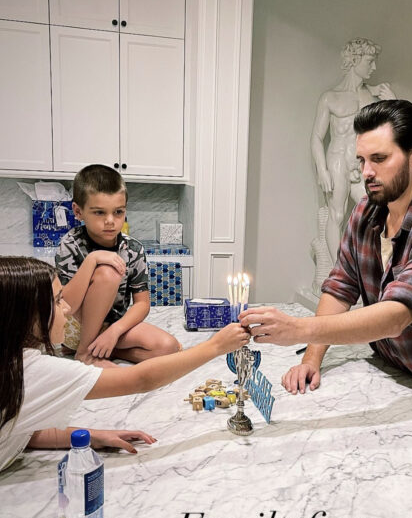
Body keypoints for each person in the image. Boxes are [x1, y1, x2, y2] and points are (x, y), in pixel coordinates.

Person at [240, 99, 412, 394]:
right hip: (401, 372)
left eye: (379, 159)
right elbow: (341, 286)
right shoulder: (366, 210)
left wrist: (297, 329)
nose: (366, 172)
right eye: (362, 160)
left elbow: (396, 316)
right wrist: (311, 358)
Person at [0, 257, 249, 474]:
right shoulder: (28, 371)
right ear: (23, 315)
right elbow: (141, 379)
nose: (67, 309)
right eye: (57, 301)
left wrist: (90, 436)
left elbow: (22, 429)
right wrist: (215, 346)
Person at [56, 164, 180, 367]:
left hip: (111, 326)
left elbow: (142, 304)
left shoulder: (133, 248)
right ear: (78, 211)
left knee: (169, 348)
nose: (110, 221)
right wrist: (92, 260)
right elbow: (66, 307)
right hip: (76, 326)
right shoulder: (70, 244)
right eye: (99, 213)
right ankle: (85, 353)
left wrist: (114, 332)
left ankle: (102, 350)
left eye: (118, 212)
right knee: (108, 273)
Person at [311, 38, 396, 260]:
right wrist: (322, 170)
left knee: (375, 212)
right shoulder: (330, 97)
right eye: (369, 61)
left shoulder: (372, 95)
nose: (374, 67)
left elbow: (393, 131)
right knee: (336, 214)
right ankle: (336, 272)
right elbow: (317, 137)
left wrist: (393, 101)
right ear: (355, 60)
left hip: (361, 163)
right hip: (337, 159)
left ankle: (363, 269)